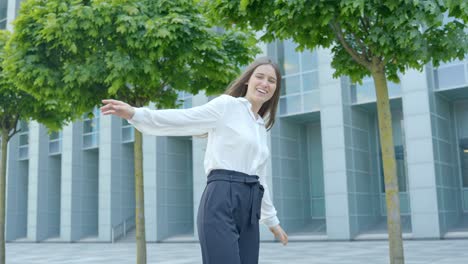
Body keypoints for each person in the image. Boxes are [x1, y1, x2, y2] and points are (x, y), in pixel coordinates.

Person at [101, 57, 288, 264]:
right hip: (222, 197)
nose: (265, 83)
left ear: (275, 89)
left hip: (250, 205)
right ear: (247, 80)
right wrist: (135, 114)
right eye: (259, 77)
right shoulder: (227, 106)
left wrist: (272, 221)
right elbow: (183, 119)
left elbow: (260, 178)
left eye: (271, 81)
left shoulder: (260, 126)